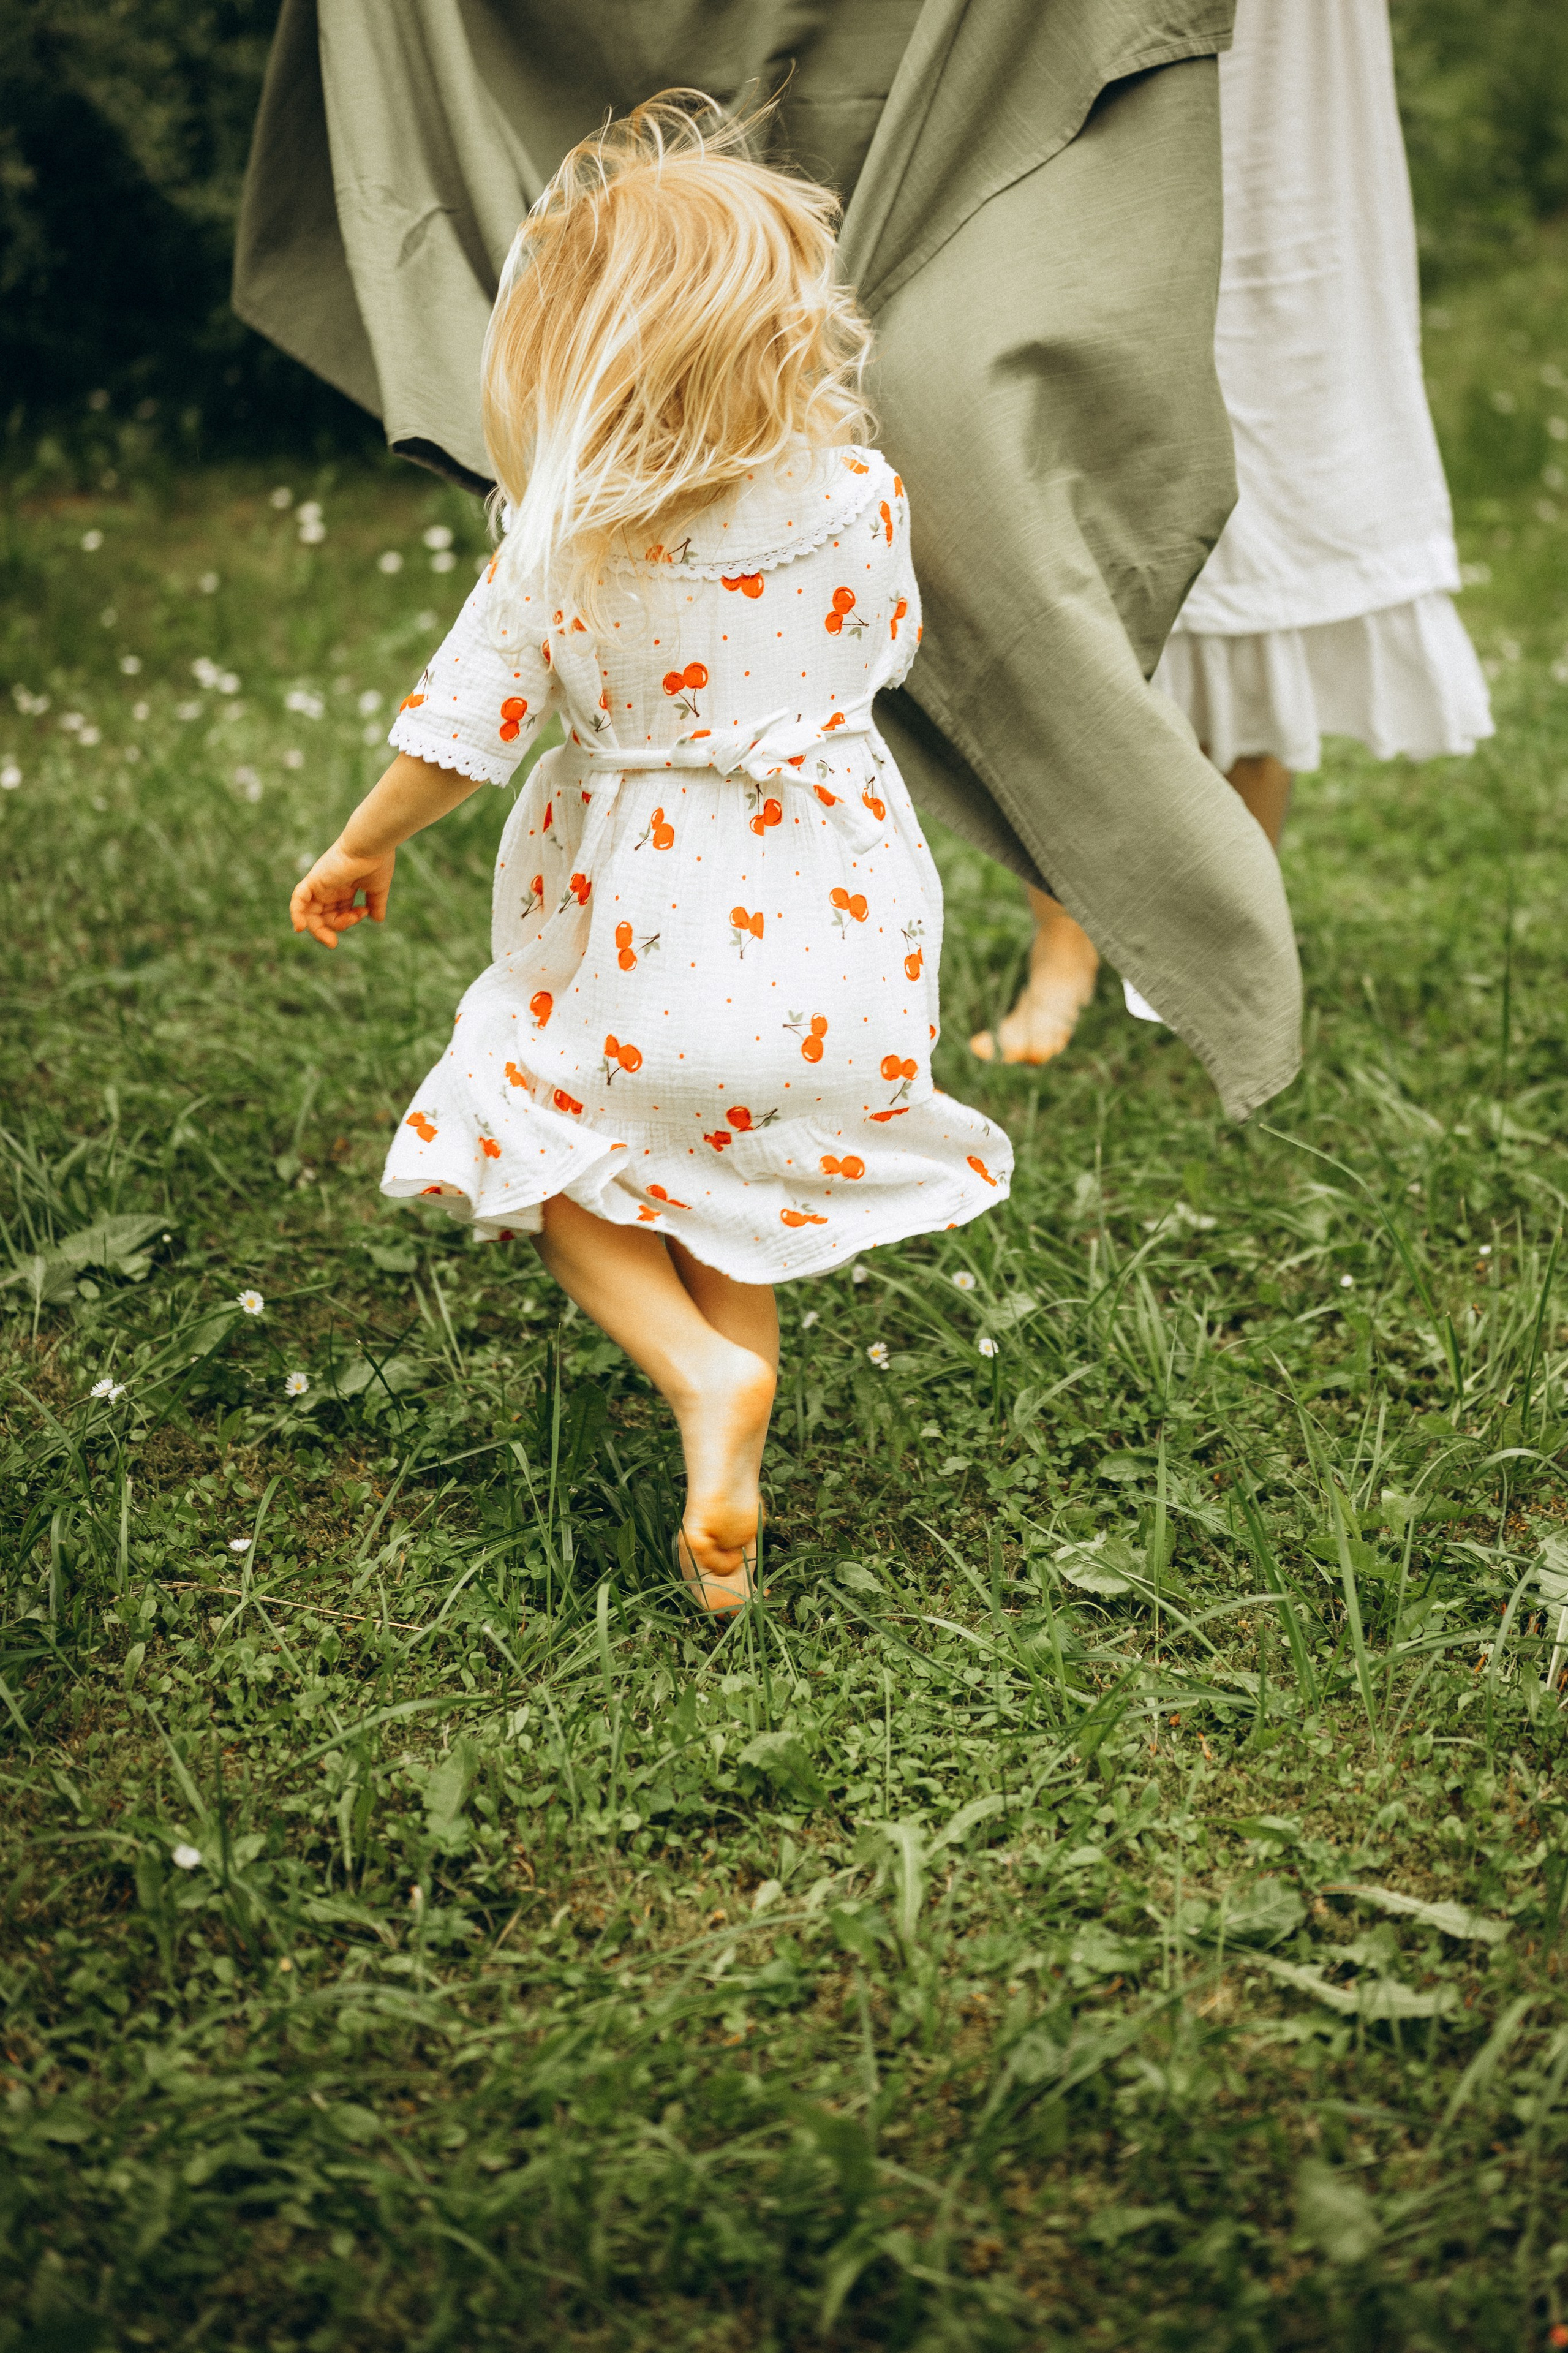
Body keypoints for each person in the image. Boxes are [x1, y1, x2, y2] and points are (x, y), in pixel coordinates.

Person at [287, 100, 1012, 1614]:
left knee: (531, 1130)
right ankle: (720, 1489)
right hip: (839, 940)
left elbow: (462, 732)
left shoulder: (563, 541)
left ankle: (695, 1372)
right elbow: (883, 650)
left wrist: (360, 847)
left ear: (574, 355)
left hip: (649, 938)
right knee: (734, 1191)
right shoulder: (861, 499)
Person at [971, 0, 1493, 1067]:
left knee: (1268, 471)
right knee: (1059, 500)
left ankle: (1218, 951)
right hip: (1070, 48)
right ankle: (1065, 946)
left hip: (1281, 65)